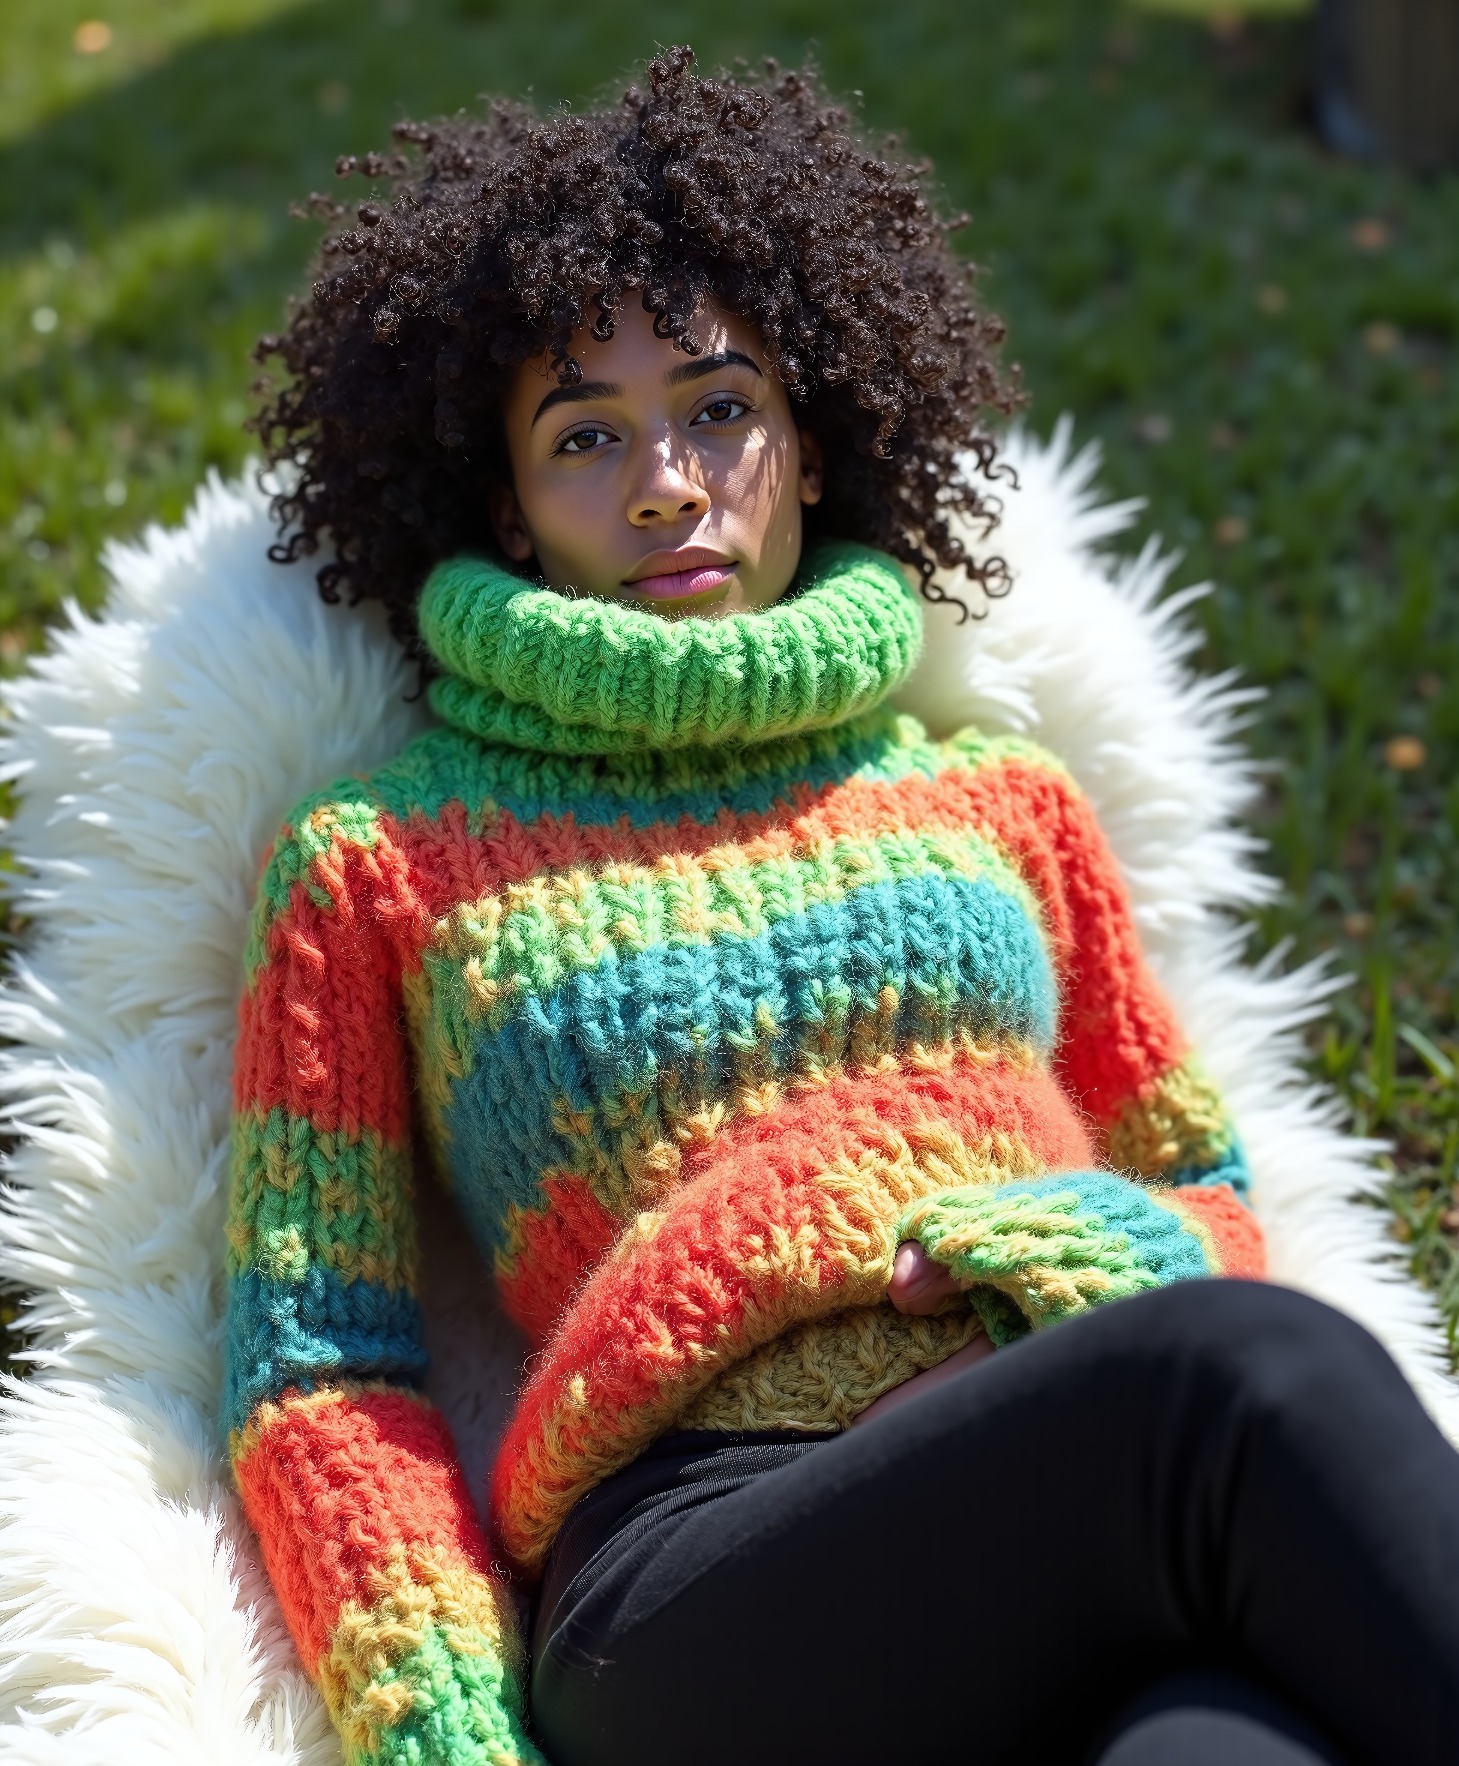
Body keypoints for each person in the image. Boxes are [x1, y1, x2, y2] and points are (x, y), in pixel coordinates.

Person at [226, 48, 1459, 1766]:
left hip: (1072, 1500)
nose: (666, 480)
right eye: (585, 436)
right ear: (506, 506)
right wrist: (443, 1738)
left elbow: (1193, 1175)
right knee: (1244, 1379)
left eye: (720, 409)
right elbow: (321, 1368)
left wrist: (1108, 1248)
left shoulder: (1001, 799)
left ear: (810, 447)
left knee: (1221, 1745)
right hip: (705, 1568)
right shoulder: (379, 860)